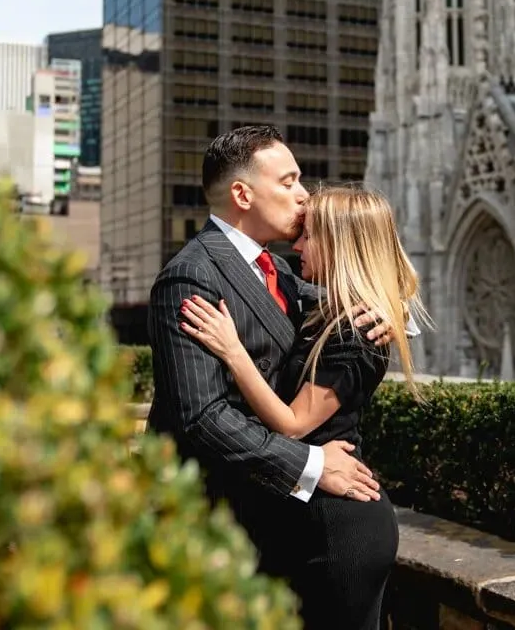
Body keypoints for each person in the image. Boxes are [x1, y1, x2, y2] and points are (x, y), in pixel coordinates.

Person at [146, 126, 393, 585]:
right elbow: (202, 417)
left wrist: (390, 316)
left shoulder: (276, 268)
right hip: (210, 524)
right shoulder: (191, 276)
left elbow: (348, 294)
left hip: (270, 522)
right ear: (242, 194)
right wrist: (310, 464)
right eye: (288, 182)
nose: (303, 195)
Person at [179, 186, 428, 630]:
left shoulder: (354, 333)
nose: (296, 246)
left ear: (340, 244)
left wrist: (233, 351)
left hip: (341, 529)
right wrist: (396, 311)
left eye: (309, 236)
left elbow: (292, 425)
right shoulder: (329, 309)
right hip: (311, 518)